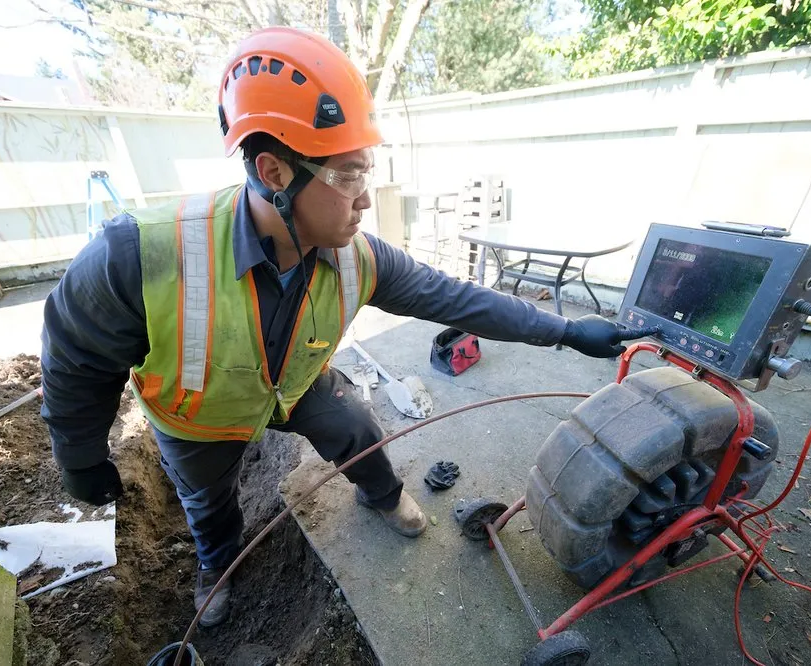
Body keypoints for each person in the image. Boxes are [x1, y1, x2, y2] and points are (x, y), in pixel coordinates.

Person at [40, 26, 651, 628]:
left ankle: (383, 496)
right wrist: (80, 456)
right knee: (208, 502)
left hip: (294, 386)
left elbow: (457, 298)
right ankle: (216, 568)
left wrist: (565, 331)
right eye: (349, 175)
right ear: (275, 171)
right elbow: (76, 361)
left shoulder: (359, 254)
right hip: (196, 416)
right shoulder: (138, 254)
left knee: (356, 426)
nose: (365, 198)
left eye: (366, 172)